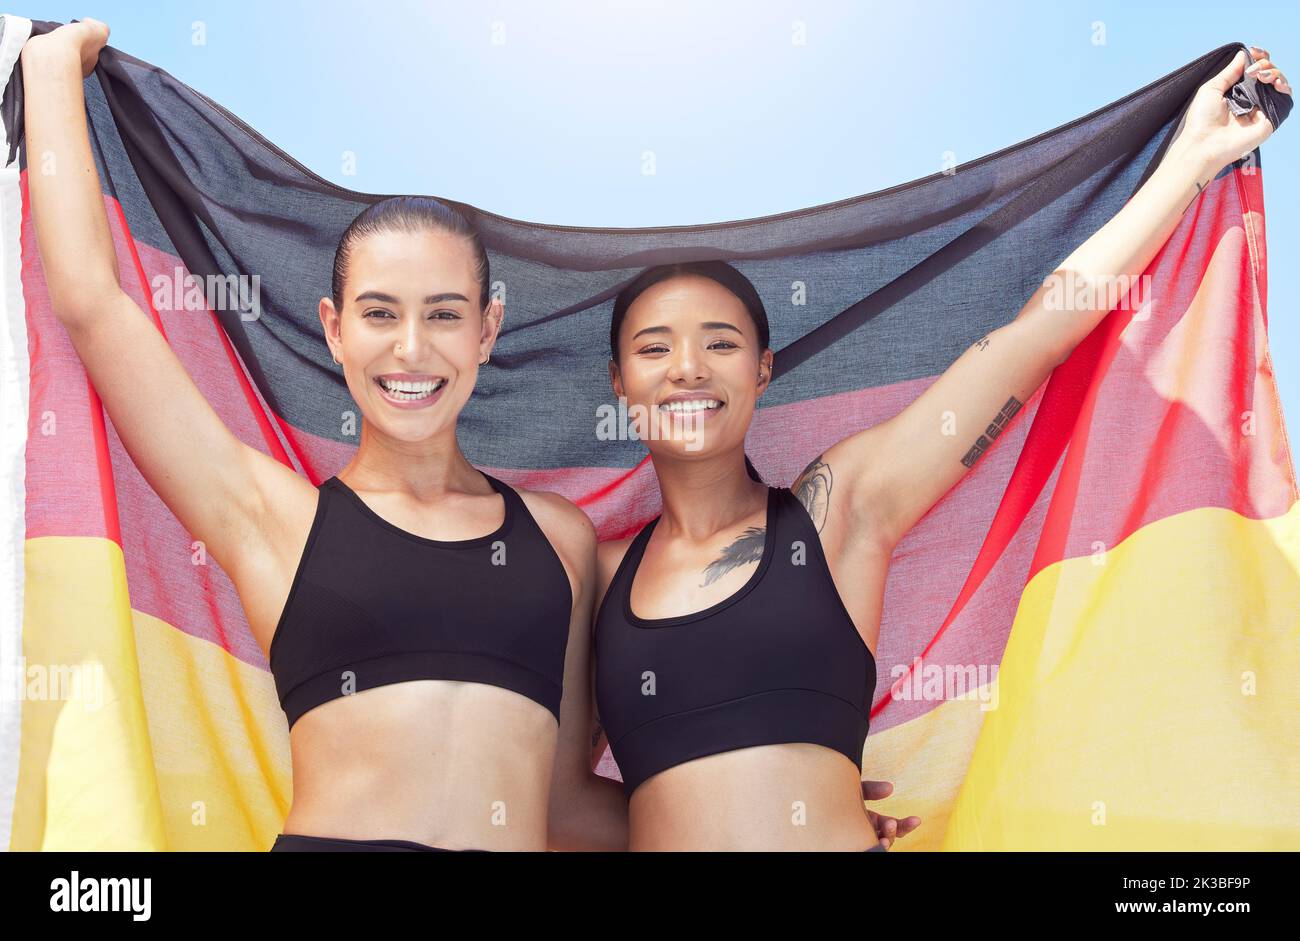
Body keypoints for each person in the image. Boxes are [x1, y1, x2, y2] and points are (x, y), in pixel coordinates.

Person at [580, 45, 1289, 851]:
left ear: (764, 368)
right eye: (653, 349)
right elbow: (544, 788)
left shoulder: (840, 508)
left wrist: (1194, 158)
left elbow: (1031, 341)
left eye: (720, 343)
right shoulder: (591, 576)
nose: (687, 370)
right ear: (617, 383)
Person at [21, 18, 613, 852]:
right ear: (335, 329)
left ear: (488, 329)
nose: (411, 349)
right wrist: (48, 70)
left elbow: (566, 808)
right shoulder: (274, 517)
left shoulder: (560, 541)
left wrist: (801, 808)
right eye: (380, 314)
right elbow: (91, 303)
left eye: (444, 315)